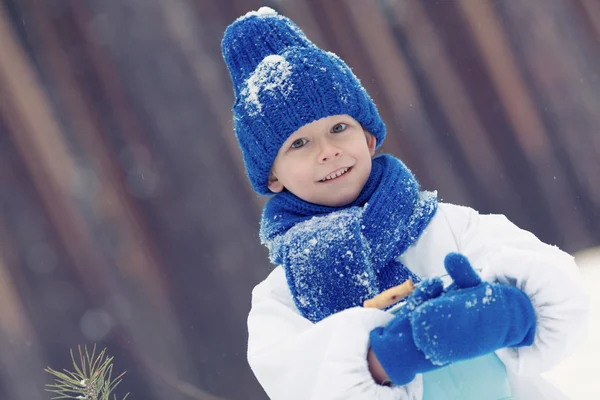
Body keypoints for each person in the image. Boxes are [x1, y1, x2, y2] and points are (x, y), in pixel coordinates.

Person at [221, 7, 589, 400]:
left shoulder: (446, 226)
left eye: (338, 128)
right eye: (298, 143)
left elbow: (556, 286)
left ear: (367, 138)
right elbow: (295, 379)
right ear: (272, 175)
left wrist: (505, 314)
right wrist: (390, 357)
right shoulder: (282, 296)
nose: (327, 151)